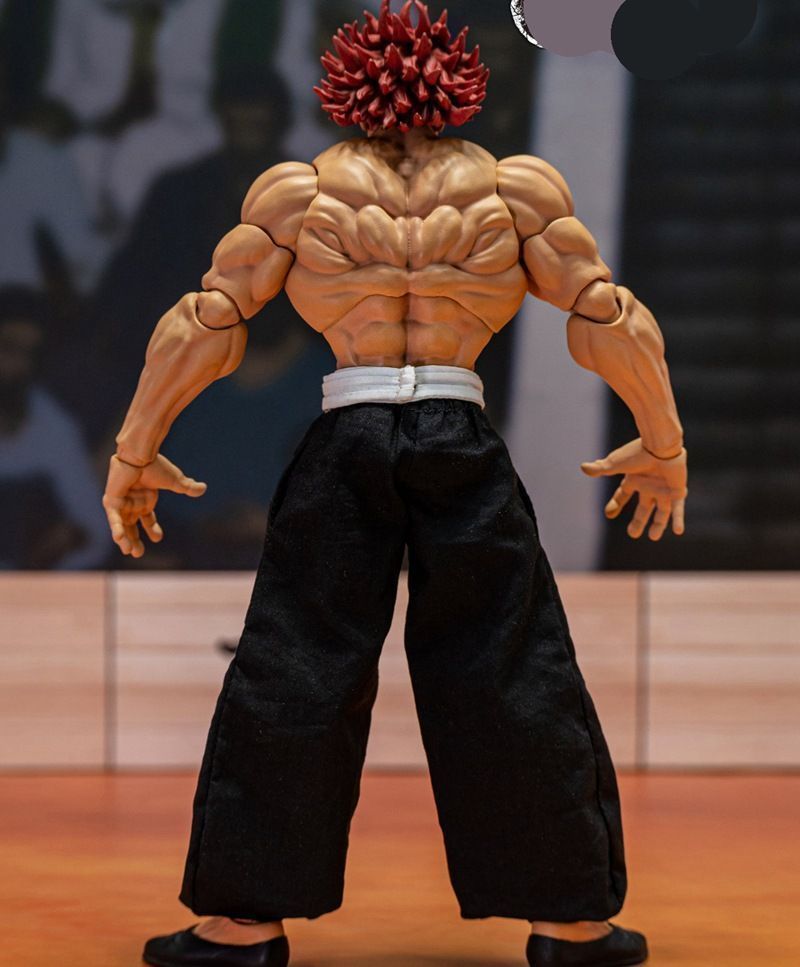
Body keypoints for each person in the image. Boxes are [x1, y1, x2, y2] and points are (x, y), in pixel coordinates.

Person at [102, 3, 687, 965]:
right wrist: (662, 439)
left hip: (351, 430)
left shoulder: (303, 193)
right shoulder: (510, 190)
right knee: (511, 664)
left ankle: (241, 923)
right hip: (458, 430)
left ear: (345, 86)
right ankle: (571, 921)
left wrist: (134, 450)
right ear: (460, 85)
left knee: (297, 663)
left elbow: (206, 320)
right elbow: (606, 313)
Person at [0, 286, 108, 569]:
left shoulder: (53, 426)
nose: (19, 365)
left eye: (29, 353)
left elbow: (94, 531)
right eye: (8, 347)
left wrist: (66, 541)